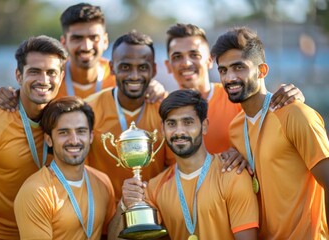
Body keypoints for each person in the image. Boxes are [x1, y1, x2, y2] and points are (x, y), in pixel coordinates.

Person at [210, 26, 329, 239]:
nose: (230, 77)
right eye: (223, 70)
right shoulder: (236, 128)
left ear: (262, 70)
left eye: (239, 67)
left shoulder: (295, 114)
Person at [109, 89, 259, 239]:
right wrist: (125, 203)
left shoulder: (232, 174)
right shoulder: (155, 188)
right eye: (172, 123)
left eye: (188, 122)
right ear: (162, 129)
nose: (179, 131)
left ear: (204, 126)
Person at [164, 23, 305, 172]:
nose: (186, 63)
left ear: (210, 60)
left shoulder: (238, 96)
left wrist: (294, 99)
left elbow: (267, 114)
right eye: (177, 56)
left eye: (194, 55)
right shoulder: (162, 109)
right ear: (167, 65)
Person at [0, 35, 67, 239]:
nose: (44, 80)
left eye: (51, 72)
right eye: (34, 71)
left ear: (61, 77)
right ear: (18, 75)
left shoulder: (65, 122)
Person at [0, 3, 166, 111]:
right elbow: (23, 99)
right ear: (64, 42)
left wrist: (154, 88)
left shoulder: (121, 77)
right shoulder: (49, 79)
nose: (86, 46)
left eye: (93, 38)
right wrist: (3, 94)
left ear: (105, 41)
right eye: (77, 38)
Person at [86, 30, 175, 203]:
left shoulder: (167, 108)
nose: (134, 76)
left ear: (154, 69)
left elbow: (175, 167)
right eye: (125, 67)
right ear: (112, 68)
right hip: (102, 217)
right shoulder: (89, 109)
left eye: (142, 67)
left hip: (154, 213)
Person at [14, 96, 116, 239]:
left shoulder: (103, 181)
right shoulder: (35, 191)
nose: (74, 140)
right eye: (64, 132)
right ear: (49, 139)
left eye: (81, 131)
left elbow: (110, 235)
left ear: (91, 136)